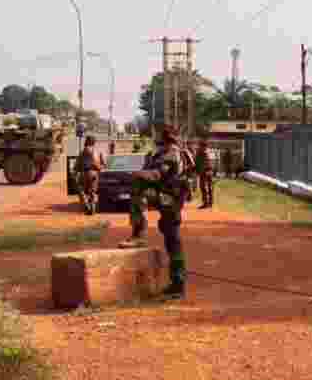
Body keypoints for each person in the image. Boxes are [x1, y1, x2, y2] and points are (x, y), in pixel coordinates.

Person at [119, 124, 188, 299]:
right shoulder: (158, 152)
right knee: (171, 238)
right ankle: (177, 284)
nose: (154, 136)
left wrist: (137, 175)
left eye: (157, 133)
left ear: (165, 136)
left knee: (173, 240)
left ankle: (178, 284)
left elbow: (158, 174)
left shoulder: (172, 152)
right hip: (163, 196)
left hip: (169, 198)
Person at [76, 136, 102, 215]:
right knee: (92, 192)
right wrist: (99, 169)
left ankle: (86, 205)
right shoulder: (97, 152)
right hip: (94, 173)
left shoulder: (82, 152)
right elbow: (100, 163)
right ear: (93, 142)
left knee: (81, 190)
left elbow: (77, 165)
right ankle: (92, 208)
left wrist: (75, 171)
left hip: (84, 173)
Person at [195, 138, 215, 209]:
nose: (198, 147)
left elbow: (198, 162)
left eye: (199, 145)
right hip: (209, 171)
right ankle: (210, 202)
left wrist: (198, 170)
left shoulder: (201, 152)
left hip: (204, 171)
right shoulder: (210, 152)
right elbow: (213, 162)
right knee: (209, 187)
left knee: (204, 187)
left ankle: (206, 202)